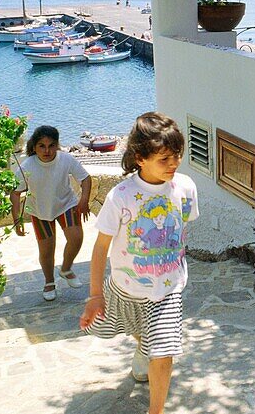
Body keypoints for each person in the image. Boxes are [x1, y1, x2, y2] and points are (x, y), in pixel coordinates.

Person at [80, 112, 198, 414]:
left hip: (168, 288)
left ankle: (154, 410)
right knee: (139, 331)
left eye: (177, 156)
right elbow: (100, 248)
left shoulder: (185, 188)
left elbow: (181, 229)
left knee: (164, 351)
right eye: (164, 159)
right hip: (125, 288)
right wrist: (95, 295)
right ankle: (144, 345)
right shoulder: (121, 196)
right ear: (140, 158)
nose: (174, 164)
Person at [10, 125, 92, 302]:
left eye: (51, 145)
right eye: (42, 146)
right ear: (34, 147)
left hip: (66, 204)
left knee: (76, 237)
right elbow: (15, 193)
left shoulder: (65, 159)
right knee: (47, 250)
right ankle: (49, 282)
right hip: (40, 211)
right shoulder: (27, 167)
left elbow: (85, 178)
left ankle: (66, 268)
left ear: (57, 145)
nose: (47, 150)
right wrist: (17, 220)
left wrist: (83, 200)